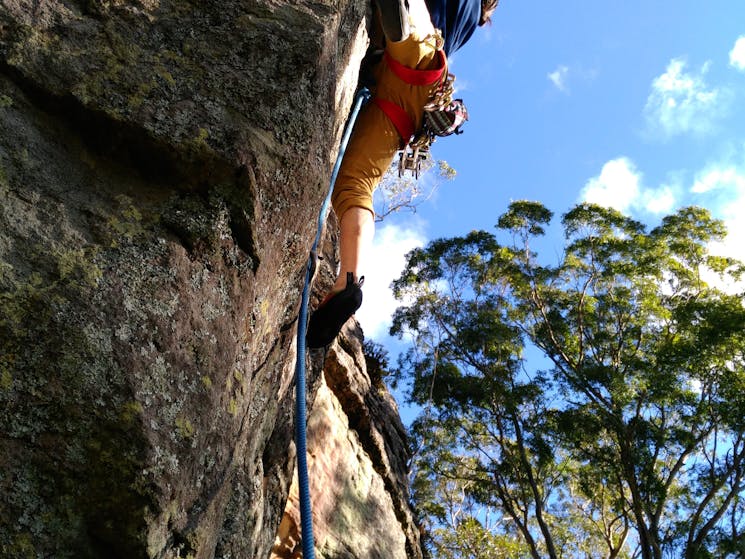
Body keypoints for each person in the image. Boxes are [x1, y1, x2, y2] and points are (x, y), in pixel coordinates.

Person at [306, 0, 499, 348]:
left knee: (412, 32)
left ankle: (404, 16)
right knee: (355, 184)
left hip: (418, 54)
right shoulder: (472, 20)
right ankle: (348, 280)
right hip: (414, 102)